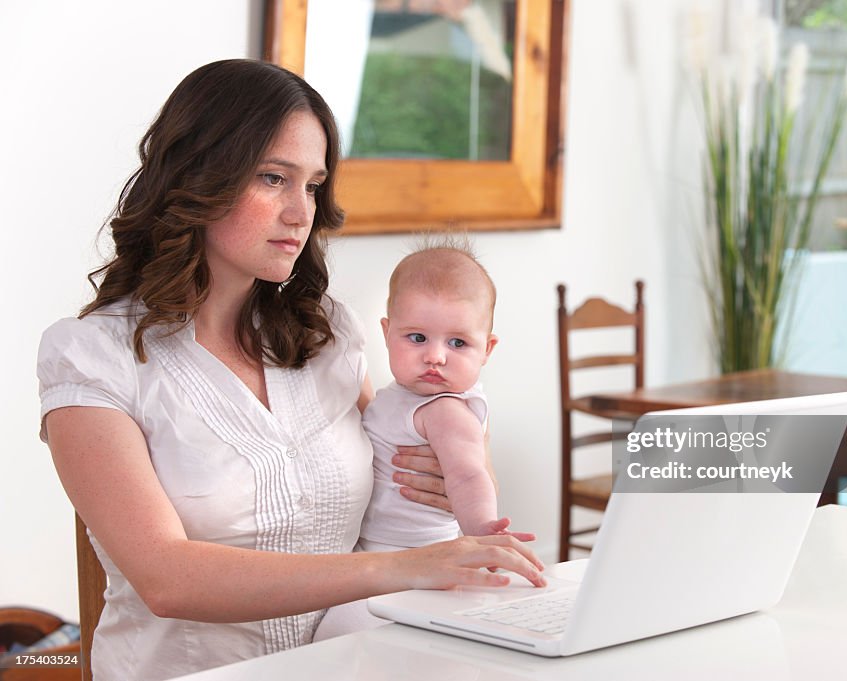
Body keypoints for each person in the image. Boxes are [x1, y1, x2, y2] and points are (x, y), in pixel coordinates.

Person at [36, 59, 544, 681]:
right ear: (198, 178)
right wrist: (409, 567)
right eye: (274, 178)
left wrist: (460, 471)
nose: (301, 213)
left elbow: (406, 463)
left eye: (312, 185)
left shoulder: (327, 332)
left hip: (355, 665)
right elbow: (166, 579)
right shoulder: (93, 358)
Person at [359, 242, 517, 552]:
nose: (435, 356)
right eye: (417, 338)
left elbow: (469, 475)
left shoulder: (446, 410)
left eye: (457, 343)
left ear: (487, 349)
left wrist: (482, 530)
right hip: (379, 549)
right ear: (387, 333)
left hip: (409, 551)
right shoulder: (404, 396)